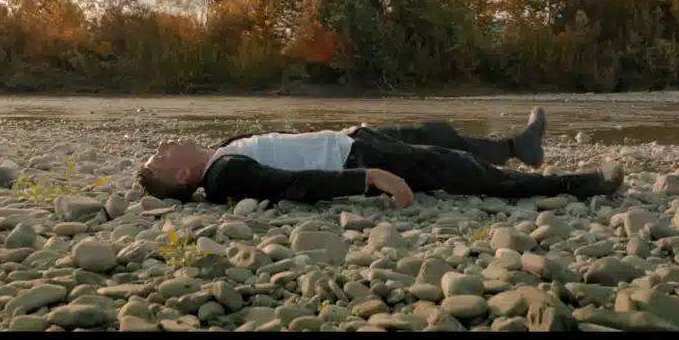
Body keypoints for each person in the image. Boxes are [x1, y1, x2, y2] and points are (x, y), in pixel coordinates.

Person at [135, 107, 623, 209]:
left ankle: (520, 147)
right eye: (159, 158)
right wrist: (369, 179)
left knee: (438, 133)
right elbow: (291, 184)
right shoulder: (224, 175)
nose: (161, 146)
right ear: (184, 174)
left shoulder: (225, 149)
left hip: (354, 138)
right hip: (357, 158)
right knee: (463, 170)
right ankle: (579, 184)